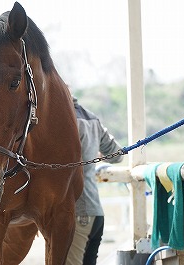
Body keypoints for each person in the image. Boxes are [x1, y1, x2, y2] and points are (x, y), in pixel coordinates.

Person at [66, 97, 124, 265]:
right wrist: (94, 155)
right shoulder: (92, 118)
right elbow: (117, 155)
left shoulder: (64, 119)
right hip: (96, 213)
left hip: (79, 212)